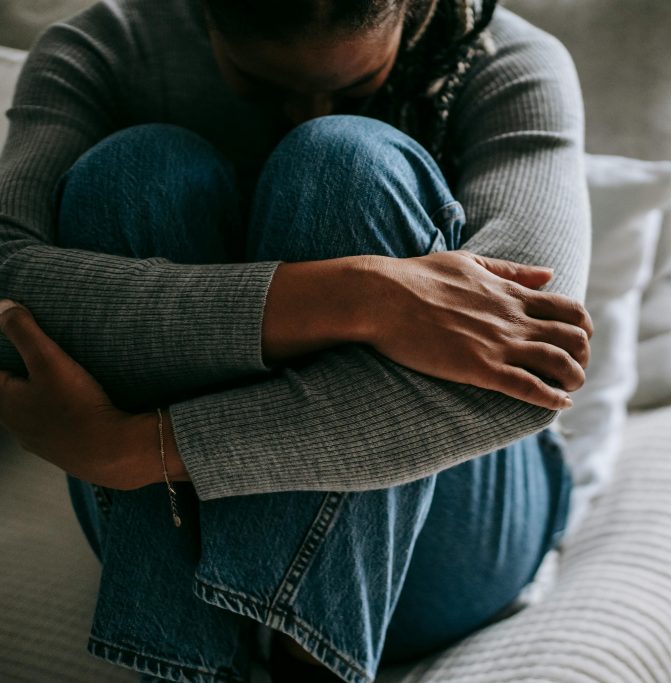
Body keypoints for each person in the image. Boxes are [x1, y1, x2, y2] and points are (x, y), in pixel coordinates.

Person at [0, 0, 591, 680]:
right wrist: (364, 295)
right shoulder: (104, 47)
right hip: (173, 521)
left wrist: (137, 449)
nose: (305, 111)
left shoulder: (507, 63)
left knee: (345, 161)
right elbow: (7, 285)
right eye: (262, 85)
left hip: (442, 529)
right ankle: (187, 659)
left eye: (357, 86)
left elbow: (533, 379)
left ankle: (310, 662)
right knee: (133, 174)